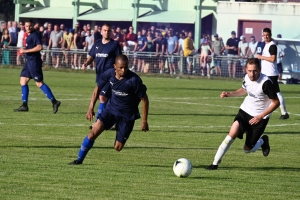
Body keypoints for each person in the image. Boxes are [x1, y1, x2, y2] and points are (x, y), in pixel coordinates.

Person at [69, 55, 149, 165]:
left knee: (117, 148)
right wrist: (90, 107)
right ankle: (78, 160)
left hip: (127, 116)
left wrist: (144, 121)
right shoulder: (109, 74)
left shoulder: (134, 80)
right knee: (92, 133)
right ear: (115, 66)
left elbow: (144, 99)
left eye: (126, 67)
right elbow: (98, 88)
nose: (123, 70)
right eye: (121, 67)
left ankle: (119, 128)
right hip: (111, 110)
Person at [206, 58, 280, 170]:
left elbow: (276, 102)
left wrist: (260, 116)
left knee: (247, 149)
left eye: (255, 71)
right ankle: (214, 164)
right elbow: (244, 89)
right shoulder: (247, 78)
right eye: (249, 71)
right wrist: (229, 94)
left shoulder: (266, 83)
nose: (252, 74)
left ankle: (263, 141)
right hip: (245, 111)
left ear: (259, 70)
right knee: (231, 134)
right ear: (246, 69)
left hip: (259, 117)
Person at [13, 20, 61, 113]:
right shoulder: (29, 35)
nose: (28, 27)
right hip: (29, 62)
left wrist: (26, 51)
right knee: (23, 80)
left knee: (39, 83)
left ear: (33, 26)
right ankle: (24, 105)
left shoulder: (35, 35)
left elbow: (39, 47)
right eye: (26, 26)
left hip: (34, 62)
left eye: (30, 26)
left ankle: (54, 102)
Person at [81, 23, 122, 129]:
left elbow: (119, 60)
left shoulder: (114, 45)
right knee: (108, 100)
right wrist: (86, 63)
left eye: (108, 31)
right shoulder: (97, 44)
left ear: (111, 32)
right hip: (100, 75)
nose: (106, 32)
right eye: (105, 30)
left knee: (102, 97)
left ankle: (97, 122)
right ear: (101, 31)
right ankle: (115, 121)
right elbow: (91, 57)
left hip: (111, 75)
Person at [256, 28, 289, 120]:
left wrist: (260, 57)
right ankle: (268, 113)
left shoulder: (272, 46)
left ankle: (284, 112)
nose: (266, 37)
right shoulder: (266, 45)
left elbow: (272, 59)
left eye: (267, 35)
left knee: (276, 93)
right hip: (266, 73)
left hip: (271, 73)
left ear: (270, 35)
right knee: (268, 93)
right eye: (264, 35)